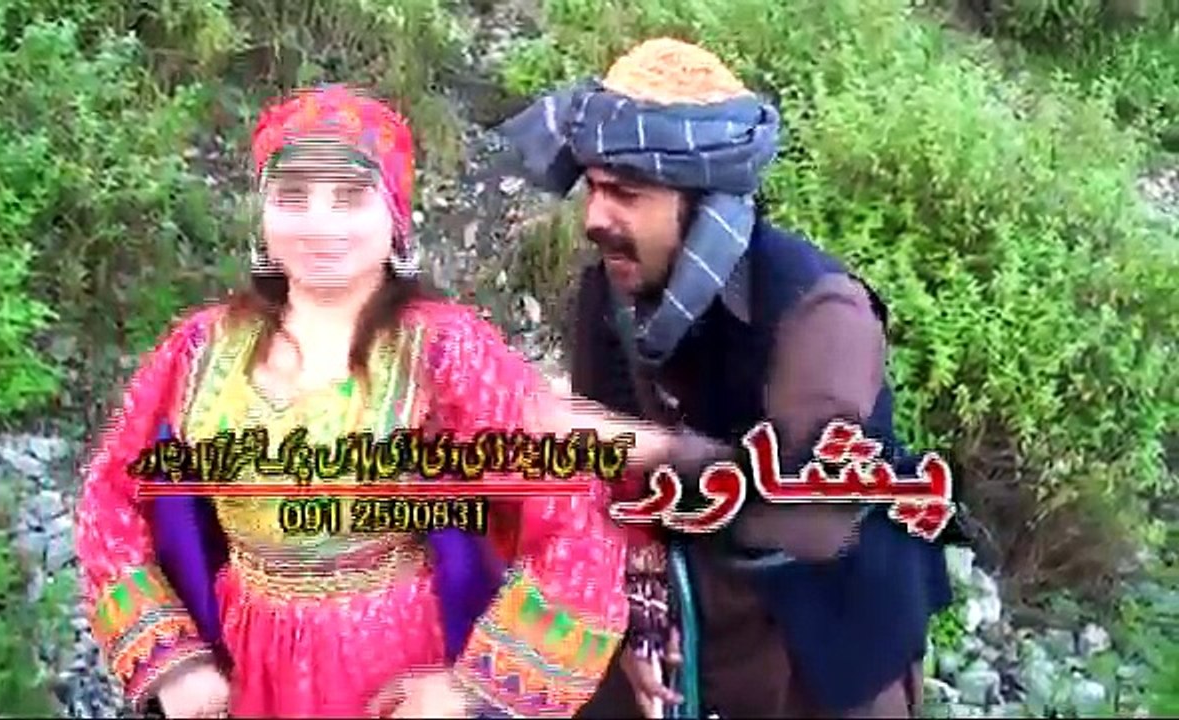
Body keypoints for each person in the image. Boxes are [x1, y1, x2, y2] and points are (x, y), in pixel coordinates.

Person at [74, 84, 714, 719]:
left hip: (388, 670)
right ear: (263, 214)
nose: (319, 224)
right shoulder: (199, 348)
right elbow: (111, 495)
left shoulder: (443, 351)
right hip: (244, 668)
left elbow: (570, 506)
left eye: (348, 198)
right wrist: (175, 663)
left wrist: (471, 688)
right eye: (292, 197)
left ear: (394, 217)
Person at [499, 38, 955, 718]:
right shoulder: (612, 290)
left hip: (822, 640)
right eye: (593, 188)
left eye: (626, 194)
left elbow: (812, 519)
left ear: (704, 205)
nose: (595, 218)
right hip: (681, 599)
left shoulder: (819, 312)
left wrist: (659, 450)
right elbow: (608, 483)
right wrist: (635, 608)